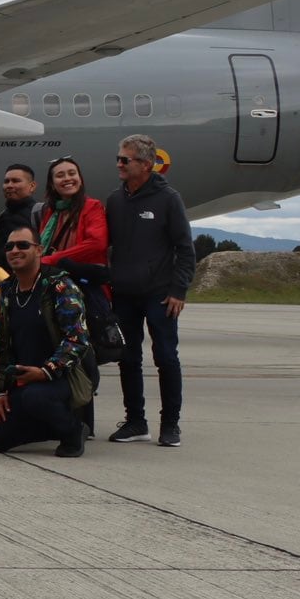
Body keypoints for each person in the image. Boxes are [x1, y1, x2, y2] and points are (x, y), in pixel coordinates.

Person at [105, 133, 195, 448]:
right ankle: (135, 421)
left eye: (124, 159)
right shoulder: (115, 200)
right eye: (118, 158)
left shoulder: (169, 199)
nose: (118, 163)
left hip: (159, 294)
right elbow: (108, 247)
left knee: (166, 357)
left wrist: (179, 290)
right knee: (127, 358)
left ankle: (170, 424)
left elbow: (185, 248)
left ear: (145, 164)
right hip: (125, 294)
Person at [0, 225, 91, 457]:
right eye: (9, 246)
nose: (15, 250)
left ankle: (74, 430)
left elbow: (77, 339)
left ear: (39, 250)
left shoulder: (60, 285)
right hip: (24, 380)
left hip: (62, 377)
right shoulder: (7, 290)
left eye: (23, 245)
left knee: (36, 398)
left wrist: (46, 371)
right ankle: (52, 425)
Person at [38, 157, 108, 271]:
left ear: (80, 180)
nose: (67, 178)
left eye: (72, 173)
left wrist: (53, 259)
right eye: (60, 175)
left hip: (82, 279)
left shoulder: (92, 206)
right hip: (54, 277)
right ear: (52, 184)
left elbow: (97, 243)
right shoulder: (50, 211)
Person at [0, 164, 45, 268]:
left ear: (32, 186)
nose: (9, 185)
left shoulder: (41, 212)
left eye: (16, 181)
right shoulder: (2, 216)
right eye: (6, 181)